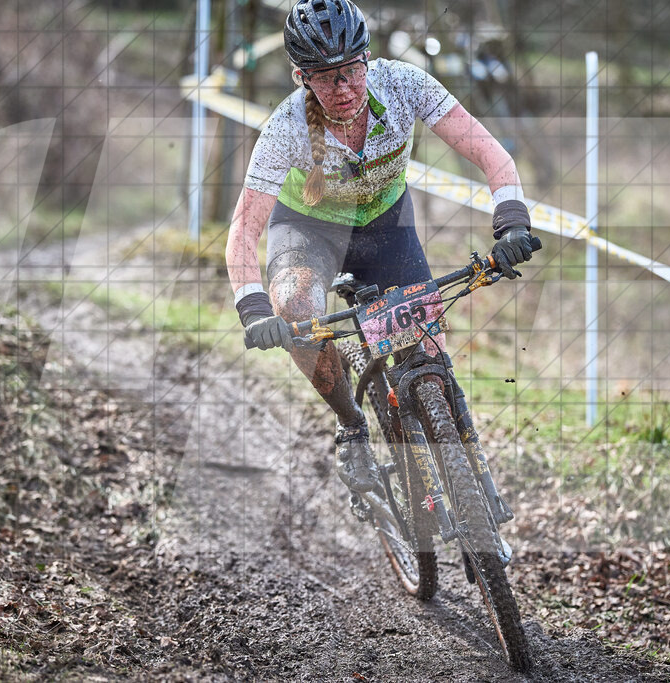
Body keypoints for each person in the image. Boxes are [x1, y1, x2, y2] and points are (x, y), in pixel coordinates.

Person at [225, 0, 536, 495]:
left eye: (351, 70)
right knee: (296, 308)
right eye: (326, 78)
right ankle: (351, 425)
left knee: (426, 354)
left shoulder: (403, 83)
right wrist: (254, 308)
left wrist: (511, 222)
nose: (343, 88)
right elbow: (244, 229)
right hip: (309, 234)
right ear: (301, 77)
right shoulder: (285, 128)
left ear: (367, 59)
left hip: (386, 228)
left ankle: (459, 460)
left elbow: (488, 152)